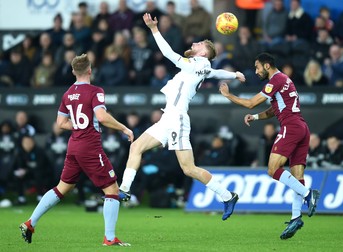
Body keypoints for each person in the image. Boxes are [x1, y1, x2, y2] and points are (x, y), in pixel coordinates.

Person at [118, 13, 245, 221]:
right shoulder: (201, 66)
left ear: (204, 51)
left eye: (199, 43)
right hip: (168, 118)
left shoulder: (199, 64)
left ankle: (227, 196)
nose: (194, 43)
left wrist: (154, 29)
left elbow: (169, 53)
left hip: (177, 119)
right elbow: (215, 72)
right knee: (136, 147)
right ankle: (124, 190)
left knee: (188, 169)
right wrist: (234, 74)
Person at [19, 53, 134, 246]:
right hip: (89, 146)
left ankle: (30, 223)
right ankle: (110, 238)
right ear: (90, 70)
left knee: (63, 187)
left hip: (73, 145)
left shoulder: (67, 94)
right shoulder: (95, 91)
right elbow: (103, 117)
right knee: (112, 189)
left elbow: (60, 123)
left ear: (73, 71)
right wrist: (124, 128)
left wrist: (79, 126)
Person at [219, 52, 320, 239]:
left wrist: (228, 95)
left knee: (273, 169)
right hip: (302, 128)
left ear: (267, 66)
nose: (256, 71)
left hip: (291, 126)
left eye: (257, 67)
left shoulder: (275, 80)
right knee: (298, 177)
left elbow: (250, 103)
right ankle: (296, 217)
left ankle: (308, 194)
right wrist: (256, 117)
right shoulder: (285, 80)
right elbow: (275, 109)